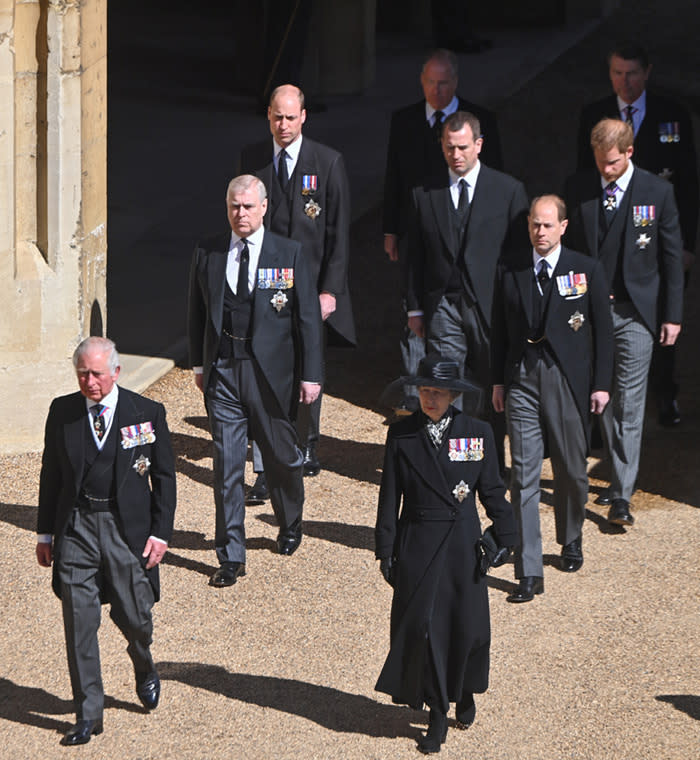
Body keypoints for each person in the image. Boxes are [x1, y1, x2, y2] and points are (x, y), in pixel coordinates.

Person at [36, 337, 176, 746]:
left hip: (124, 529)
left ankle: (143, 663)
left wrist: (160, 533)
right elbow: (51, 475)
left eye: (97, 374)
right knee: (79, 623)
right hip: (77, 527)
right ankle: (88, 714)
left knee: (136, 616)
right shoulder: (62, 412)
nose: (89, 382)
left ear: (116, 372)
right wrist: (45, 532)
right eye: (82, 373)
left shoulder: (145, 412)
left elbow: (164, 477)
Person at [375, 354, 517, 754]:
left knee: (467, 628)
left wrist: (506, 535)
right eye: (423, 391)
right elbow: (389, 498)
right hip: (418, 544)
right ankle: (438, 712)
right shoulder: (401, 436)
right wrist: (385, 549)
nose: (429, 398)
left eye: (437, 392)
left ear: (454, 395)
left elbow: (491, 490)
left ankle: (466, 688)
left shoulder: (478, 433)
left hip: (462, 547)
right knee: (426, 630)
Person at [188, 174, 323, 586]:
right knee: (227, 465)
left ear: (264, 207)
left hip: (272, 377)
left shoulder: (289, 253)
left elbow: (307, 321)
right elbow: (196, 312)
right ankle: (231, 554)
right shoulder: (208, 252)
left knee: (282, 458)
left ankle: (290, 520)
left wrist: (311, 376)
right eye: (234, 206)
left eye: (248, 206)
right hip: (225, 370)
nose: (240, 214)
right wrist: (199, 365)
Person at [491, 196, 613, 603]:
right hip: (522, 376)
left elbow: (603, 333)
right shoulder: (511, 268)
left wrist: (600, 384)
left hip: (566, 379)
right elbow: (499, 331)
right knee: (523, 473)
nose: (539, 232)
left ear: (562, 227)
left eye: (546, 225)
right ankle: (529, 570)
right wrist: (497, 382)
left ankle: (571, 536)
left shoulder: (586, 269)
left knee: (571, 470)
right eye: (533, 225)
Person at [565, 119, 683, 527]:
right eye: (600, 162)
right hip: (590, 313)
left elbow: (671, 259)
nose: (606, 170)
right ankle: (612, 475)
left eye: (612, 162)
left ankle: (620, 493)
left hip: (637, 312)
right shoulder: (579, 186)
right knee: (602, 399)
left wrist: (673, 315)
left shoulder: (657, 192)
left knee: (629, 403)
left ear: (629, 152)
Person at [239, 84, 354, 496]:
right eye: (277, 117)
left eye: (291, 117)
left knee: (308, 368)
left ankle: (304, 445)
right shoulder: (253, 159)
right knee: (263, 368)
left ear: (304, 116)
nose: (283, 125)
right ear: (268, 116)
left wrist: (330, 290)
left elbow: (338, 234)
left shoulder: (327, 162)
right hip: (266, 284)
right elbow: (242, 220)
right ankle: (265, 465)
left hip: (309, 286)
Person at [577, 43, 698, 426]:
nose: (624, 81)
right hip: (610, 237)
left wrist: (687, 246)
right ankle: (600, 405)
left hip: (658, 238)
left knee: (662, 316)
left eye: (631, 73)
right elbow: (582, 181)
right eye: (616, 73)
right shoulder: (594, 115)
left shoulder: (672, 115)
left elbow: (689, 185)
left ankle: (665, 395)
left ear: (646, 72)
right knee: (604, 323)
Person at [405, 110, 528, 470]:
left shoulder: (508, 191)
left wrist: (518, 309)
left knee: (494, 384)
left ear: (478, 145)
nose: (455, 155)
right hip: (443, 302)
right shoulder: (423, 193)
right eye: (448, 147)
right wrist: (414, 308)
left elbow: (519, 257)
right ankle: (453, 458)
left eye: (461, 147)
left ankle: (492, 460)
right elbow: (414, 257)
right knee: (446, 381)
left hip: (491, 305)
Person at [383, 49, 503, 415]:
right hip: (415, 232)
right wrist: (390, 229)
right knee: (414, 310)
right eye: (431, 82)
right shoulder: (404, 120)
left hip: (464, 236)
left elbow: (495, 182)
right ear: (422, 83)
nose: (438, 89)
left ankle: (463, 403)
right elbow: (394, 177)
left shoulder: (482, 122)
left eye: (445, 82)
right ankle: (414, 396)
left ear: (456, 82)